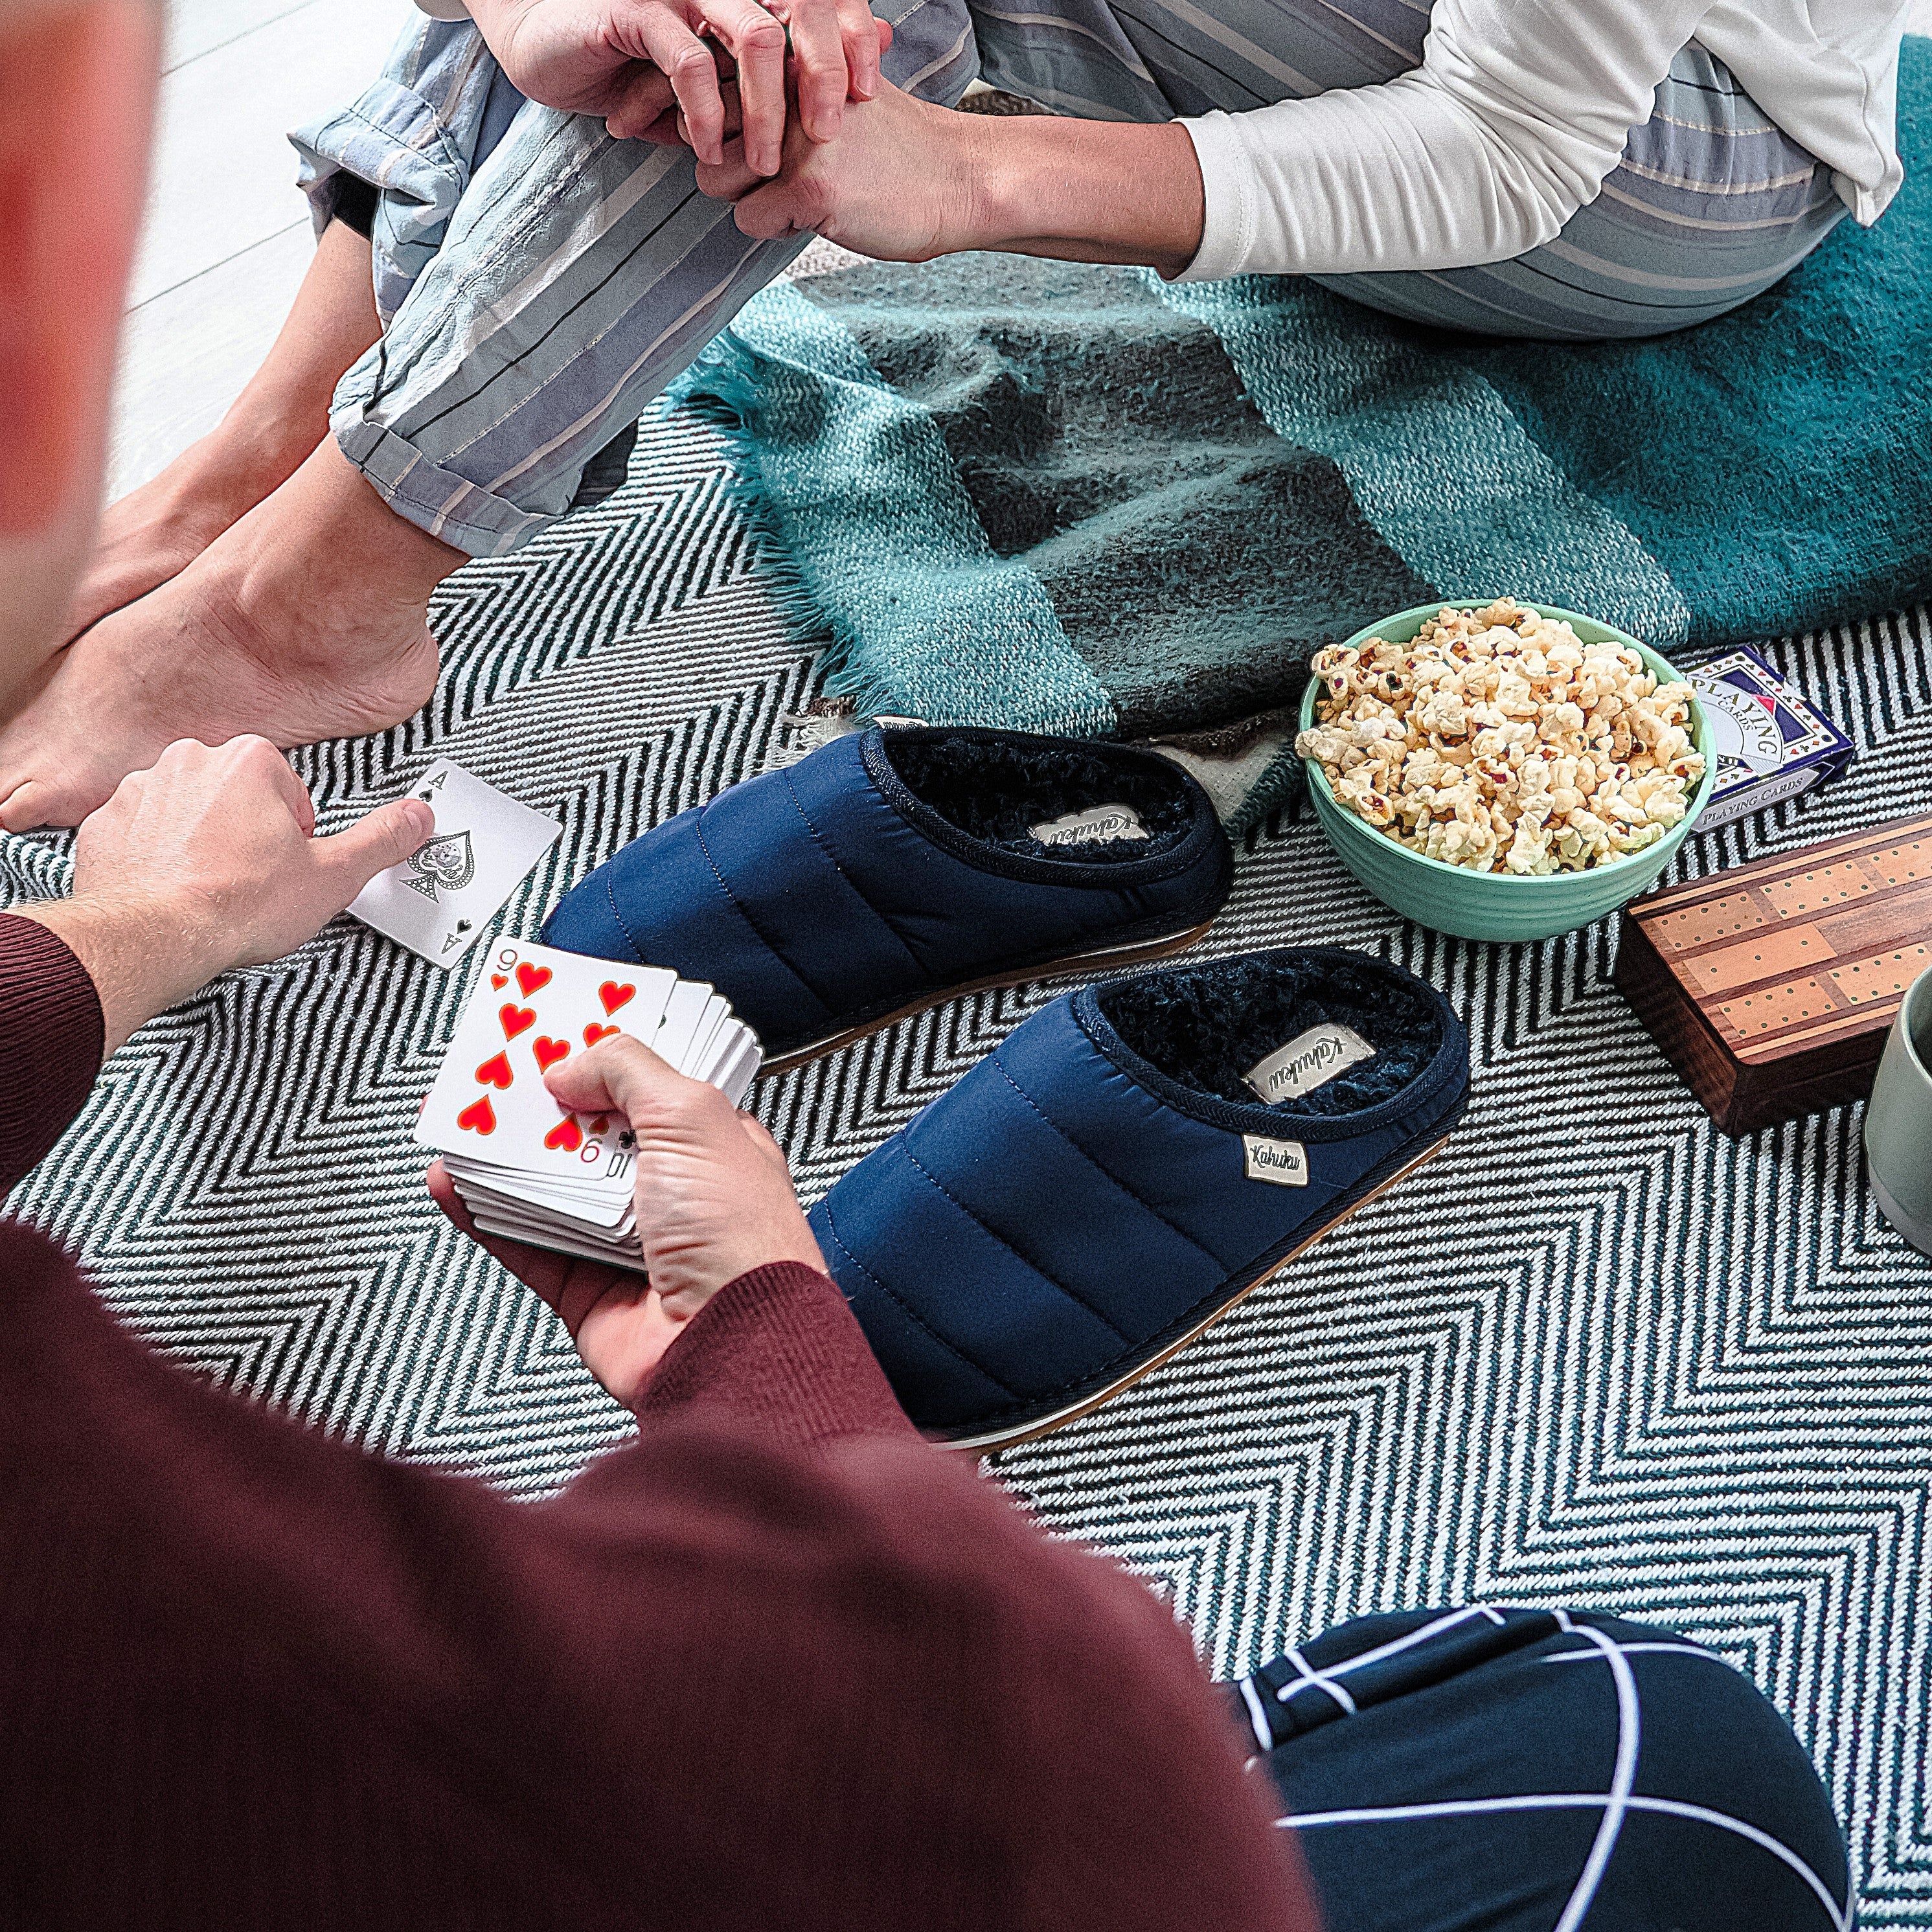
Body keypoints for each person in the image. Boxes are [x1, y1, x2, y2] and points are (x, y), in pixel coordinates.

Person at [0, 1, 1860, 1922]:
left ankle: (286, 513)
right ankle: (302, 553)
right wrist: (787, 1395)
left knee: (763, 30)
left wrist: (130, 935)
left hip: (1654, 157)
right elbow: (991, 1782)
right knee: (1660, 1753)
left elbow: (1521, 142)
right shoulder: (187, 1660)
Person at [0, 0, 1906, 830]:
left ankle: (308, 602)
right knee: (743, 11)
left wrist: (980, 185)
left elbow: (1518, 149)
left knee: (835, 13)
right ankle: (264, 470)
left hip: (1661, 160)